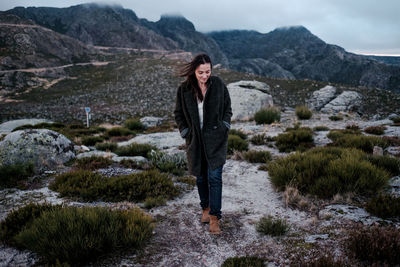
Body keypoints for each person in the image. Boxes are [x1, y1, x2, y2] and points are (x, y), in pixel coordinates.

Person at [174, 53, 232, 234]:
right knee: (200, 177)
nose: (205, 76)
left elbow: (228, 108)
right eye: (201, 72)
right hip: (196, 141)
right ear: (194, 71)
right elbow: (178, 113)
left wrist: (225, 125)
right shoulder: (184, 89)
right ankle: (205, 208)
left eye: (208, 71)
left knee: (215, 178)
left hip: (216, 140)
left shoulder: (219, 85)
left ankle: (215, 218)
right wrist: (185, 131)